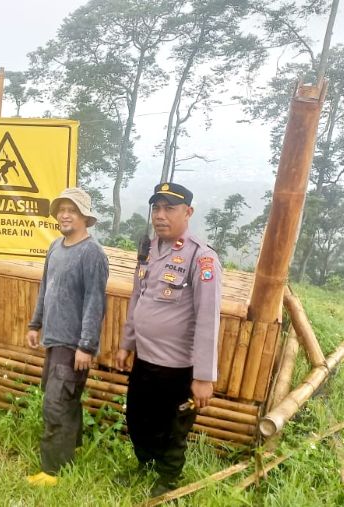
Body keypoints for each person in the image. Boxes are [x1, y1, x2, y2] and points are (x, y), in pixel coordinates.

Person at [114, 182, 222, 497]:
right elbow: (138, 298)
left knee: (172, 428)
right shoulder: (148, 250)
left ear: (188, 212)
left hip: (177, 367)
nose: (160, 215)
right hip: (145, 359)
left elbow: (208, 319)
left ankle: (167, 480)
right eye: (157, 208)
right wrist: (126, 344)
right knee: (138, 418)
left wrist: (203, 377)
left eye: (169, 208)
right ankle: (144, 463)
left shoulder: (201, 258)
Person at [25, 187, 110, 486]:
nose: (64, 215)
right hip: (54, 339)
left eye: (71, 210)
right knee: (67, 400)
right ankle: (72, 449)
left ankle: (52, 471)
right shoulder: (55, 247)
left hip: (74, 344)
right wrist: (35, 324)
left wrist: (86, 345)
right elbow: (45, 288)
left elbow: (95, 303)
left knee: (56, 405)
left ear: (85, 217)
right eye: (61, 209)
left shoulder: (92, 253)